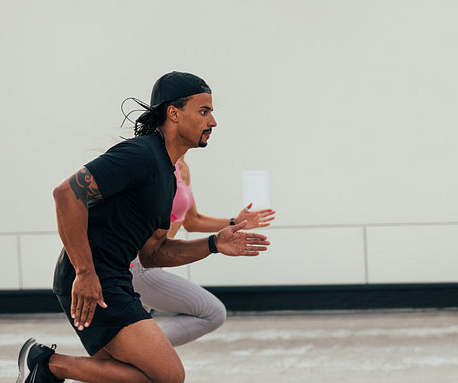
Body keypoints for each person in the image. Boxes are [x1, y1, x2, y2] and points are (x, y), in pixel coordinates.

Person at [16, 71, 270, 383]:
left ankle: (45, 365)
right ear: (174, 114)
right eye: (204, 111)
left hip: (114, 276)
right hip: (94, 277)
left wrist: (214, 243)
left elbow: (153, 253)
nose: (213, 122)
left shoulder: (167, 174)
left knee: (136, 378)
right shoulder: (141, 154)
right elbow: (67, 194)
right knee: (169, 376)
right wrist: (85, 273)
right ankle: (46, 363)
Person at [131, 154, 275, 346]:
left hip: (153, 263)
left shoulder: (183, 167)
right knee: (212, 313)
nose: (211, 124)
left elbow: (192, 221)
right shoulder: (156, 162)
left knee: (132, 342)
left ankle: (134, 354)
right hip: (137, 263)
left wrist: (235, 222)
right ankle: (140, 351)